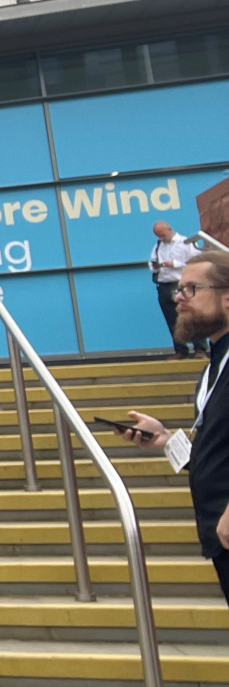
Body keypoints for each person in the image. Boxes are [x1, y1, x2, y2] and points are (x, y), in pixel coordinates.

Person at [115, 251, 229, 608]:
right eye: (178, 289)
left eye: (191, 289)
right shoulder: (214, 367)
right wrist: (166, 441)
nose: (178, 298)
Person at [150, 220, 206, 357]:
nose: (161, 239)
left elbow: (196, 260)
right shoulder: (158, 246)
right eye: (159, 236)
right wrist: (156, 265)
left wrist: (175, 264)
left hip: (181, 282)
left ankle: (200, 349)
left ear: (169, 230)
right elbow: (151, 262)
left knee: (191, 316)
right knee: (172, 319)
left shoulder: (185, 243)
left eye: (163, 235)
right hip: (164, 284)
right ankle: (180, 350)